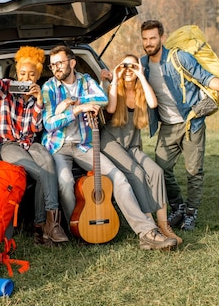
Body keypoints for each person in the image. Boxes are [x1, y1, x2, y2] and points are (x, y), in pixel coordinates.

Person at [41, 45, 176, 250]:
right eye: (52, 65)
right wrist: (76, 110)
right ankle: (78, 228)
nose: (56, 68)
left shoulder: (86, 81)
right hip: (59, 146)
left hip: (85, 145)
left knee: (119, 179)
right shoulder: (49, 88)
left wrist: (74, 101)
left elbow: (103, 100)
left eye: (59, 63)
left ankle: (147, 232)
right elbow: (49, 123)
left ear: (72, 62)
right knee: (66, 182)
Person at [140, 20, 219, 231]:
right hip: (167, 126)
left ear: (162, 38)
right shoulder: (143, 64)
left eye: (152, 38)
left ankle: (190, 213)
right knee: (161, 170)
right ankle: (177, 207)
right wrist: (110, 77)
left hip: (191, 122)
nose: (148, 43)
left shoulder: (178, 58)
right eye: (145, 39)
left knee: (194, 171)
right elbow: (128, 79)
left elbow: (204, 77)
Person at [0, 46, 69, 245]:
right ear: (17, 73)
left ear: (37, 76)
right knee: (41, 174)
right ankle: (42, 226)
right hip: (8, 145)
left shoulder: (37, 96)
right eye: (22, 73)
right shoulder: (6, 88)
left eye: (32, 74)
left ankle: (49, 225)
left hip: (30, 142)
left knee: (48, 162)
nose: (26, 77)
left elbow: (35, 127)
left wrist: (39, 101)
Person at [100, 54, 183, 245]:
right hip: (111, 142)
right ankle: (148, 225)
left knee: (156, 172)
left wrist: (142, 76)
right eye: (125, 66)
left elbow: (153, 104)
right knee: (136, 172)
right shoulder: (115, 88)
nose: (129, 70)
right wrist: (115, 76)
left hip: (132, 143)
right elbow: (111, 109)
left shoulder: (141, 89)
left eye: (133, 66)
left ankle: (163, 225)